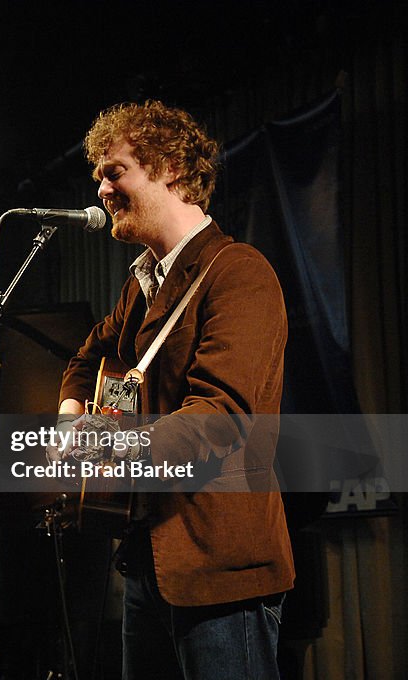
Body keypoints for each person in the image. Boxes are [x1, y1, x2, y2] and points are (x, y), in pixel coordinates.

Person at [56, 100, 295, 679]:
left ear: (168, 169)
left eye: (114, 172)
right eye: (99, 176)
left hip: (219, 565)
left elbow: (221, 416)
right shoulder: (139, 287)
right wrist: (71, 419)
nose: (101, 189)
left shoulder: (239, 271)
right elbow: (86, 359)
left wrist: (108, 448)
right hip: (149, 560)